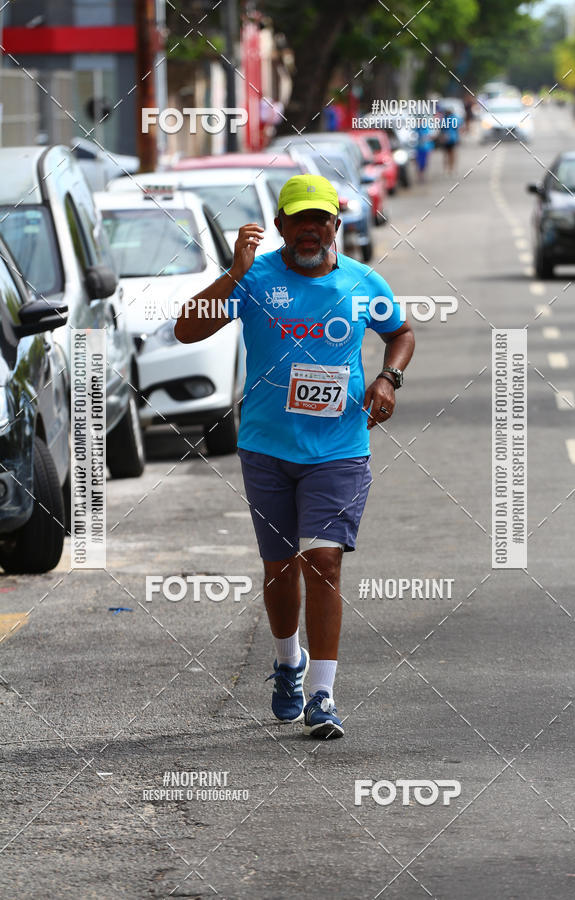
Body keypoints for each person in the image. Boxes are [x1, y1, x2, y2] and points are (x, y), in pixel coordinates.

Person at [174, 174, 415, 739]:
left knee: (323, 562)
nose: (310, 230)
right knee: (280, 566)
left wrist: (389, 377)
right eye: (298, 220)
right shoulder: (254, 278)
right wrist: (233, 273)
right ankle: (288, 663)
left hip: (339, 447)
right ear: (280, 225)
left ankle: (323, 695)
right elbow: (186, 330)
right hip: (267, 447)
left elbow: (401, 332)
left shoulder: (363, 282)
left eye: (319, 220)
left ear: (336, 225)